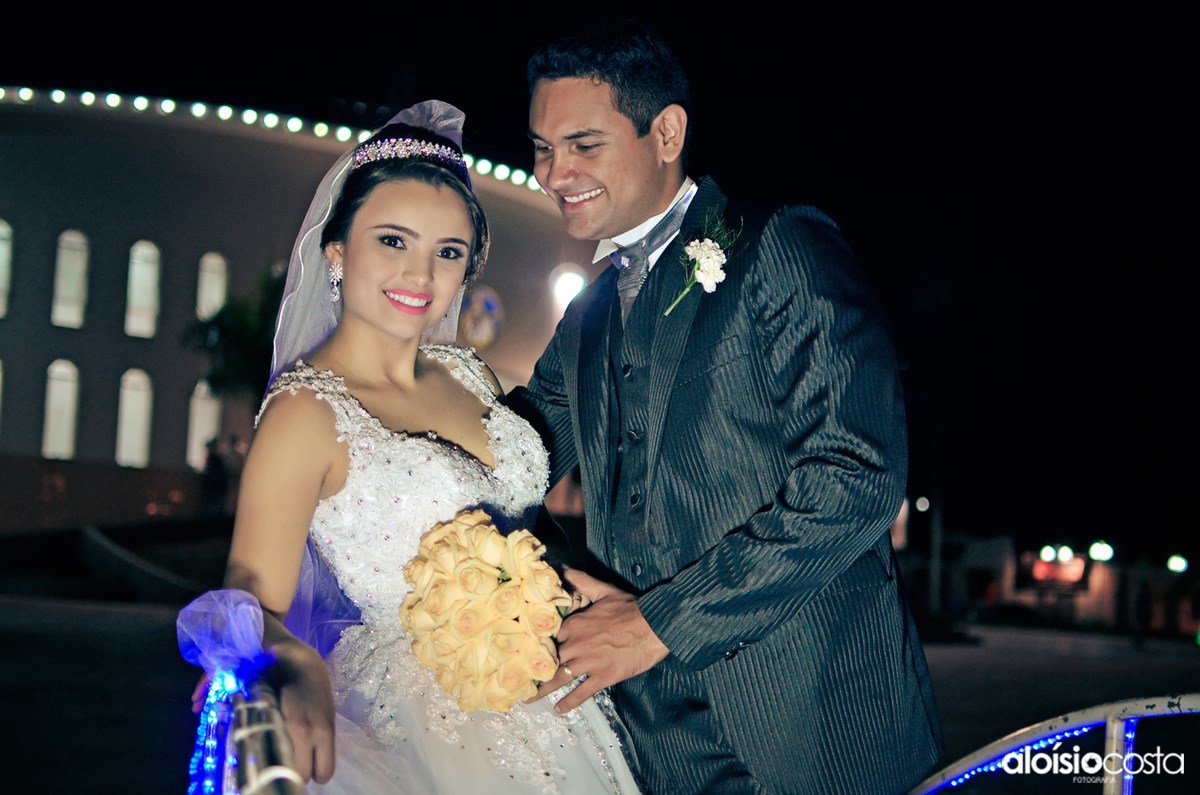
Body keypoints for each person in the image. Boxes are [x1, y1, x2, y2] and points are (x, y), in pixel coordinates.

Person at [505, 23, 946, 794]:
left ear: (666, 132)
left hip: (813, 725)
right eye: (542, 147)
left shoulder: (781, 245)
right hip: (652, 743)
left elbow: (857, 477)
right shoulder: (586, 317)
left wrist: (658, 621)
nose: (553, 172)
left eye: (582, 144)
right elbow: (509, 457)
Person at [178, 100, 641, 795]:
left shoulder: (469, 374)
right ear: (338, 250)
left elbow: (514, 527)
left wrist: (557, 583)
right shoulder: (307, 412)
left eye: (447, 252)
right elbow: (244, 597)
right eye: (393, 241)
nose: (420, 275)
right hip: (417, 731)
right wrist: (291, 658)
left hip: (548, 699)